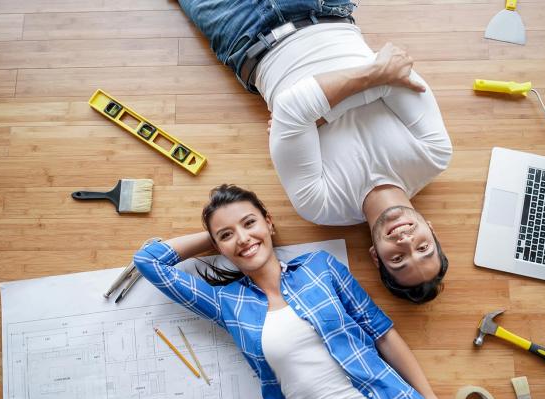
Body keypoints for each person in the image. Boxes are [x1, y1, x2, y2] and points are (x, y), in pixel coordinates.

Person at [176, 1, 453, 303]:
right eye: (423, 248)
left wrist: (374, 77)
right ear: (433, 232)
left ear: (376, 256)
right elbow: (398, 73)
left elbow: (385, 77)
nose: (405, 242)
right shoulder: (433, 156)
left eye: (398, 259)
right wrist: (309, 122)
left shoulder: (320, 207)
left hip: (241, 34)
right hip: (323, 8)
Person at [134, 184, 461, 399]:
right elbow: (150, 261)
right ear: (217, 246)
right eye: (227, 235)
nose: (244, 237)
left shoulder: (320, 267)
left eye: (250, 223)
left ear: (269, 222)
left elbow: (383, 334)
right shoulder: (228, 304)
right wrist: (217, 238)